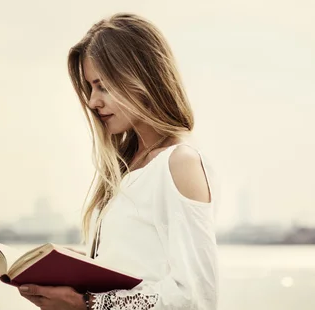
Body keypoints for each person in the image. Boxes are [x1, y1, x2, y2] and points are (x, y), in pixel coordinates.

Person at [17, 13, 219, 310]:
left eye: (103, 86)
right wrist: (78, 271)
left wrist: (88, 304)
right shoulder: (129, 167)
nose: (92, 101)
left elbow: (196, 297)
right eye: (90, 87)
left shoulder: (179, 163)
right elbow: (140, 271)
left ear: (142, 78)